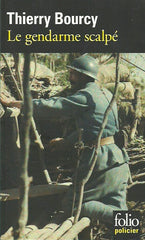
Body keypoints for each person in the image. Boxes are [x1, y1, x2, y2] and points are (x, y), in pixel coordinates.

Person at [1, 55, 130, 226]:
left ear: (82, 75)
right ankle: (132, 229)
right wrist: (66, 142)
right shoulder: (106, 94)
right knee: (118, 206)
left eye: (72, 73)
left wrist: (16, 103)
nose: (70, 77)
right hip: (118, 161)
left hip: (99, 161)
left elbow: (54, 106)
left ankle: (128, 220)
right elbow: (96, 130)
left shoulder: (86, 95)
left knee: (74, 205)